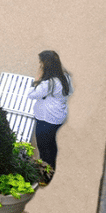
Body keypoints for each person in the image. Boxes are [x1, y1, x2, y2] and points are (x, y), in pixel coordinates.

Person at [27, 50, 73, 180]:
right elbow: (70, 92)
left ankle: (45, 176)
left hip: (46, 118)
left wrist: (37, 79)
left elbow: (32, 94)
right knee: (51, 144)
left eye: (41, 63)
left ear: (46, 65)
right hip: (58, 116)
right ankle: (51, 170)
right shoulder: (66, 77)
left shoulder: (48, 83)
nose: (40, 65)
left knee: (44, 147)